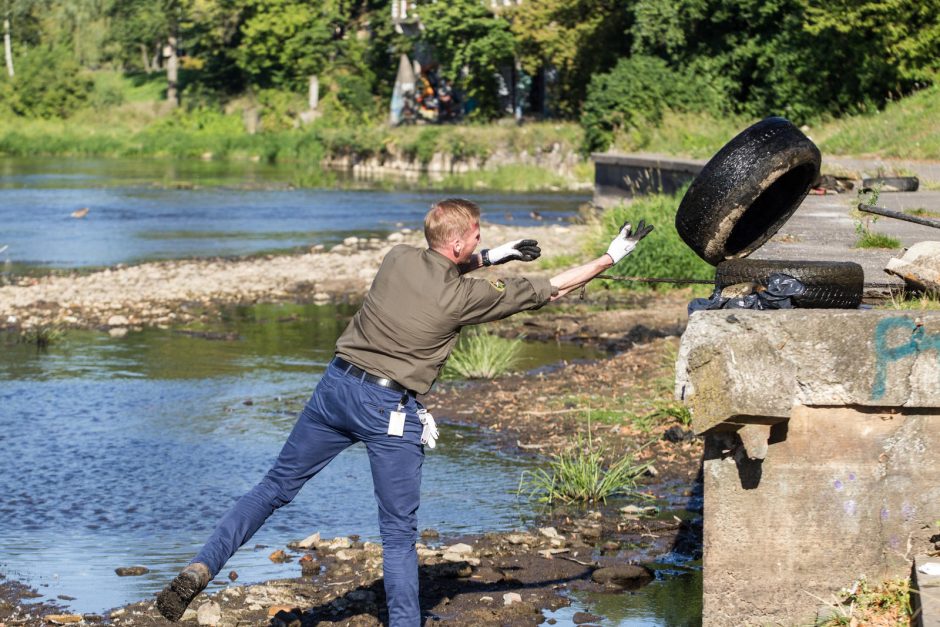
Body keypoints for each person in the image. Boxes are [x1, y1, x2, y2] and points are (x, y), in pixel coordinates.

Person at [155, 198, 653, 626]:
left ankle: (202, 567)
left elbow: (441, 266)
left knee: (273, 488)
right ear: (460, 244)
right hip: (385, 407)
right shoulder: (464, 297)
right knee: (397, 535)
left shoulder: (396, 258)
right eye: (478, 236)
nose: (481, 242)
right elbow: (554, 287)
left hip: (335, 386)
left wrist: (492, 255)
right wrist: (610, 256)